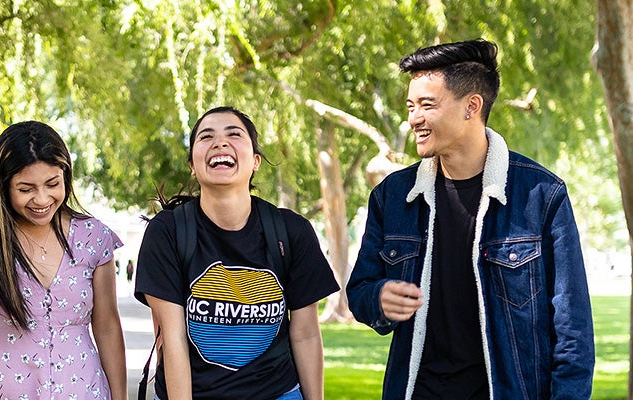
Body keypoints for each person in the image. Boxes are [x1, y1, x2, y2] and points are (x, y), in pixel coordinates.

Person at [346, 39, 595, 399]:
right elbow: (360, 291)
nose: (413, 119)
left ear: (471, 106)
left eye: (427, 105)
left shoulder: (542, 194)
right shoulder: (393, 197)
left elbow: (572, 329)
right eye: (410, 106)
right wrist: (378, 297)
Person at [134, 106, 339, 400]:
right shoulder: (167, 232)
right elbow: (173, 338)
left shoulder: (292, 231)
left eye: (234, 134)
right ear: (192, 164)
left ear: (255, 161)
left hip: (276, 392)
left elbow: (305, 333)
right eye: (206, 137)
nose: (220, 143)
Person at [0, 121, 128, 400]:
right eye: (26, 189)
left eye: (53, 184)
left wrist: (120, 396)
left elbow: (107, 328)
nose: (42, 199)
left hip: (83, 390)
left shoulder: (94, 236)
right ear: (2, 186)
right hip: (3, 390)